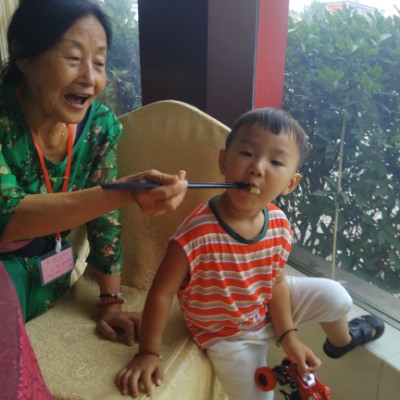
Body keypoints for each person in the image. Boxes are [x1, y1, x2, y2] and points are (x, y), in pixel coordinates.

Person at [116, 108, 385, 399]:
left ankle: (341, 342)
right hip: (228, 335)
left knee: (337, 296)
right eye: (246, 153)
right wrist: (148, 353)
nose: (257, 167)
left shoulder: (279, 223)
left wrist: (288, 336)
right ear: (223, 161)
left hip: (264, 305)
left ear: (290, 184)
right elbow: (161, 294)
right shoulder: (195, 235)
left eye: (276, 161)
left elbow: (277, 283)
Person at [0, 0, 188, 344]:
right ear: (23, 55)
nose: (90, 78)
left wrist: (111, 301)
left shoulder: (98, 125)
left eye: (99, 62)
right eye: (72, 59)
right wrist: (123, 192)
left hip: (52, 278)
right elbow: (6, 216)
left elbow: (105, 217)